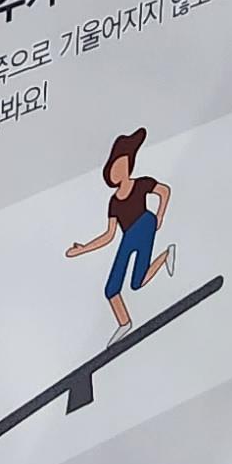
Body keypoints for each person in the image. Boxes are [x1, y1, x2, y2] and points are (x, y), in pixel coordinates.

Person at [68, 128, 174, 331]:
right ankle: (124, 323)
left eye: (120, 165)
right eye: (113, 167)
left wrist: (159, 216)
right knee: (122, 286)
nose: (116, 171)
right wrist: (83, 249)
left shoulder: (140, 184)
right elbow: (109, 235)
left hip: (145, 223)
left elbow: (164, 191)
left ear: (128, 164)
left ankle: (125, 322)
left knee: (133, 279)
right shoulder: (114, 202)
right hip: (129, 235)